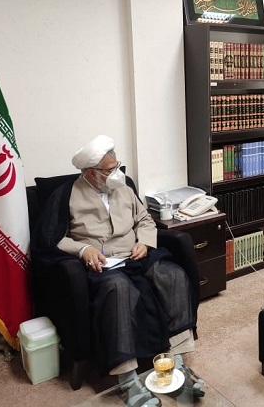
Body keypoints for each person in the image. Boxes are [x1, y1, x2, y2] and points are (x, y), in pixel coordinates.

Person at [32, 135, 202, 406]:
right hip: (102, 264)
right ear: (91, 173)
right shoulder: (66, 195)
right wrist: (83, 250)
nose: (117, 173)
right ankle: (128, 381)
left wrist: (145, 242)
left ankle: (177, 363)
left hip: (135, 256)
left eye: (117, 166)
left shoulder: (123, 187)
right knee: (118, 288)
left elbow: (144, 219)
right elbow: (52, 238)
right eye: (110, 170)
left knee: (173, 275)